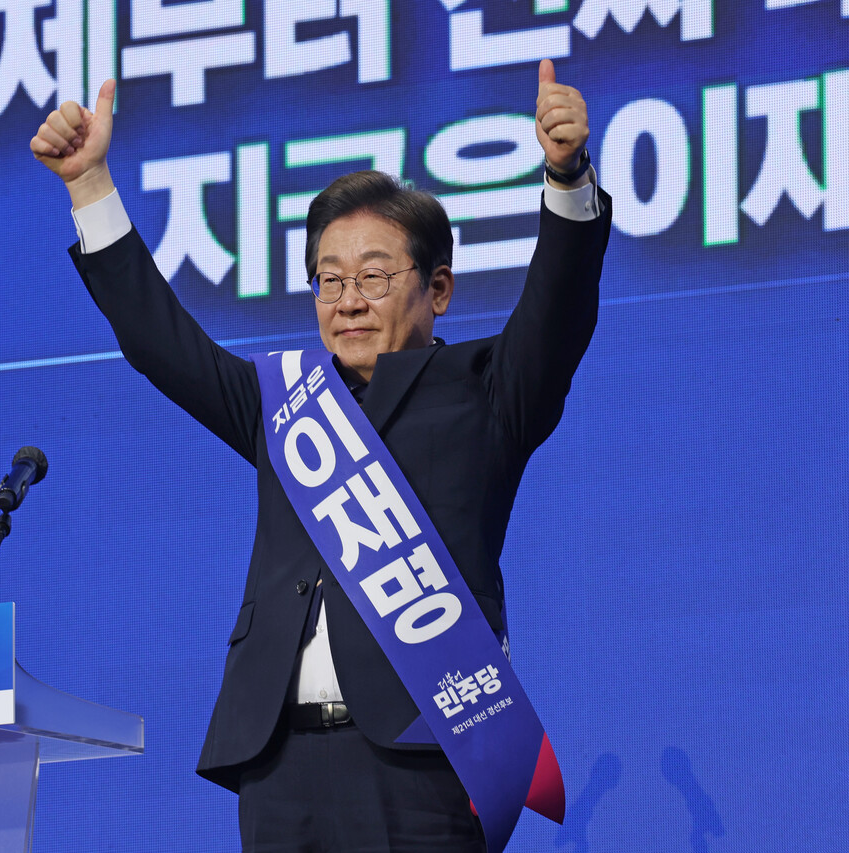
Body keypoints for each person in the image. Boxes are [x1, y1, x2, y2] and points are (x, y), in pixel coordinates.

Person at [31, 60, 611, 852]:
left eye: (374, 276)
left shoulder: (487, 390)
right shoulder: (286, 404)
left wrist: (567, 177)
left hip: (419, 758)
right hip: (279, 764)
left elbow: (561, 306)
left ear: (439, 288)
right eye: (328, 280)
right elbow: (159, 343)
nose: (348, 301)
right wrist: (90, 184)